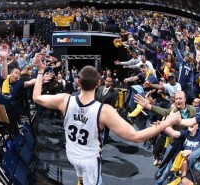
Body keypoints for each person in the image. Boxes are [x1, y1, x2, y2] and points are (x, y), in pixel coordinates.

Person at [32, 54, 181, 185]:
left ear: (78, 83)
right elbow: (136, 137)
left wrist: (40, 71)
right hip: (89, 160)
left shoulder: (64, 100)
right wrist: (167, 123)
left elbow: (36, 97)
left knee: (81, 177)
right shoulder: (103, 111)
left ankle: (80, 179)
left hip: (71, 154)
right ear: (98, 83)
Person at [95, 76, 118, 143]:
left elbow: (112, 105)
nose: (107, 82)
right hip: (97, 110)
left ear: (111, 83)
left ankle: (105, 138)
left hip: (106, 112)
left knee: (106, 126)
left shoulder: (114, 93)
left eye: (109, 81)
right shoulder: (100, 88)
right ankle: (98, 136)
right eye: (106, 81)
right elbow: (96, 98)